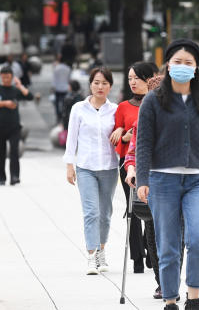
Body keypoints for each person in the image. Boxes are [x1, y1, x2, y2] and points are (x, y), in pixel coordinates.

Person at [136, 39, 199, 310]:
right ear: (168, 65)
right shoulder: (153, 100)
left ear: (196, 68)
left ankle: (193, 297)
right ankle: (170, 299)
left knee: (198, 239)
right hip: (163, 180)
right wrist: (142, 179)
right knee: (168, 245)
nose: (182, 67)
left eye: (188, 63)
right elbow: (144, 142)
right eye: (177, 62)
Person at [64, 67, 119, 275]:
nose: (100, 87)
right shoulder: (79, 108)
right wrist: (69, 165)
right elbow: (72, 138)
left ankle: (101, 252)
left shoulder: (114, 110)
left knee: (105, 214)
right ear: (90, 84)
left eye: (105, 83)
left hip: (109, 167)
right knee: (91, 212)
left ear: (110, 86)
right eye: (96, 82)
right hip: (86, 167)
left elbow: (124, 130)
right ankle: (91, 256)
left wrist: (122, 130)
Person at [111, 61, 158, 274]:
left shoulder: (158, 103)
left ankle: (151, 249)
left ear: (149, 79)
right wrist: (125, 136)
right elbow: (117, 140)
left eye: (136, 78)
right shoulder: (122, 107)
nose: (132, 83)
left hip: (153, 166)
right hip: (129, 165)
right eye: (129, 79)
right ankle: (137, 258)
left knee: (150, 210)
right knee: (133, 209)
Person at [0, 64, 31, 186]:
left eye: (8, 77)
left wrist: (20, 85)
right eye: (4, 77)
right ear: (1, 77)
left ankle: (15, 177)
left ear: (12, 77)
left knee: (14, 152)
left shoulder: (15, 90)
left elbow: (29, 96)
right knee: (0, 152)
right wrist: (5, 103)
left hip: (14, 126)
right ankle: (1, 177)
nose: (6, 79)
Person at [52, 54, 72, 125]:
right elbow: (69, 79)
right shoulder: (68, 69)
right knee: (65, 103)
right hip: (65, 88)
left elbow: (54, 79)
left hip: (57, 88)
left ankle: (58, 116)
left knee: (57, 103)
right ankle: (65, 116)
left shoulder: (56, 68)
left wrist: (53, 87)